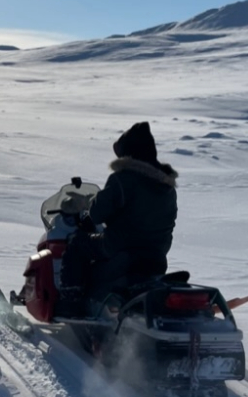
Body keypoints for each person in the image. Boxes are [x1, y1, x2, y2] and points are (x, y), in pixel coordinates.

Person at [60, 121, 178, 307]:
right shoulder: (167, 187)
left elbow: (98, 214)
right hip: (157, 254)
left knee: (77, 243)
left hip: (122, 248)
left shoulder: (123, 179)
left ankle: (70, 302)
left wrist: (85, 203)